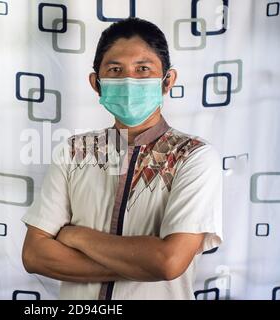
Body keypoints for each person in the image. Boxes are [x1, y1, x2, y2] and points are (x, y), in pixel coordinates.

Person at [21, 17, 223, 300]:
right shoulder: (74, 151)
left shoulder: (194, 156)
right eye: (115, 70)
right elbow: (35, 255)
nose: (129, 80)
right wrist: (143, 262)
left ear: (168, 81)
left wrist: (77, 237)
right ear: (97, 83)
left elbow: (169, 262)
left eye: (143, 69)